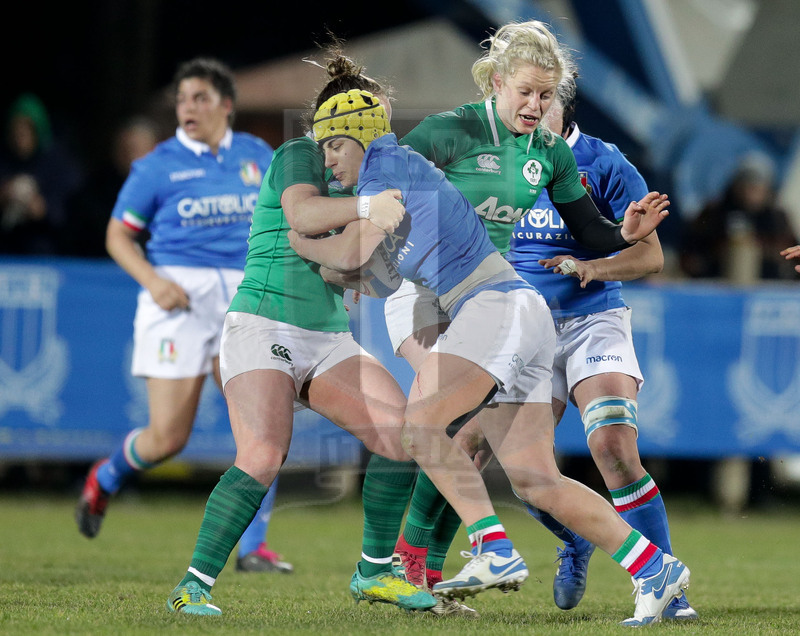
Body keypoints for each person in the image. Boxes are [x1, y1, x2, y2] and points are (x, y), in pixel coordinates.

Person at [292, 85, 690, 627]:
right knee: (533, 478)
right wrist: (344, 265)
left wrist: (298, 241)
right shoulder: (414, 163)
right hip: (522, 310)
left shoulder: (386, 168)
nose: (327, 161)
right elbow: (370, 269)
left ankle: (485, 548)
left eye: (334, 147)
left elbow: (346, 249)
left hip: (494, 306)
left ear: (360, 138)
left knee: (423, 427)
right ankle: (655, 569)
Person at [164, 56, 436, 616]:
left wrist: (374, 262)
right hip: (263, 323)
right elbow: (303, 215)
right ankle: (192, 586)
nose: (382, 138)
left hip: (326, 338)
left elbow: (351, 265)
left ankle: (374, 573)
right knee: (264, 454)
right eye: (375, 125)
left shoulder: (362, 181)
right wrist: (369, 211)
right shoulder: (300, 154)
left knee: (403, 435)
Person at [74, 57, 292, 574]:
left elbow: (287, 216)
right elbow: (118, 236)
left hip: (242, 296)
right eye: (181, 100)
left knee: (263, 426)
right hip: (178, 299)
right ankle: (106, 477)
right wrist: (154, 282)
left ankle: (254, 548)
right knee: (168, 438)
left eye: (200, 98)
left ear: (226, 105)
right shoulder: (157, 165)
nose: (188, 108)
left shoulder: (256, 155)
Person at [505, 87, 697, 619]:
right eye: (523, 95)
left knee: (613, 447)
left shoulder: (606, 163)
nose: (531, 109)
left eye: (544, 98)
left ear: (565, 106)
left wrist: (594, 267)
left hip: (594, 322)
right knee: (522, 468)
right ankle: (575, 537)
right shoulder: (500, 161)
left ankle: (667, 587)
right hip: (523, 327)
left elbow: (650, 256)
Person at [681, 152, 798, 282]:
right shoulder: (715, 214)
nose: (750, 194)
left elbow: (791, 253)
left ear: (767, 190)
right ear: (736, 187)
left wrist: (761, 248)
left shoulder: (777, 218)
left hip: (769, 284)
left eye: (756, 188)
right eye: (747, 186)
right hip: (718, 281)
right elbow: (691, 252)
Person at [63, 116, 161, 257]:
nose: (127, 156)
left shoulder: (170, 186)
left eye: (133, 149)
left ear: (153, 150)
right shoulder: (97, 190)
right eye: (122, 149)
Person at [0, 93, 83, 254]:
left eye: (26, 129)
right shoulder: (3, 160)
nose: (20, 136)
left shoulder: (58, 165)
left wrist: (44, 209)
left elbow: (74, 211)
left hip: (45, 251)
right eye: (15, 130)